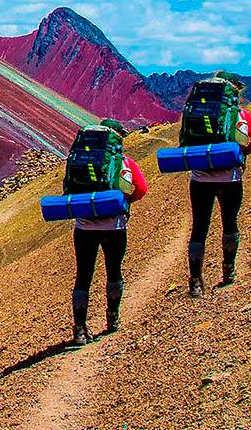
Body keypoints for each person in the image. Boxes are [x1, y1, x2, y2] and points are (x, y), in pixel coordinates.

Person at [187, 71, 251, 297]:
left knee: (199, 228)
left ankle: (195, 281)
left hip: (200, 179)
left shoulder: (196, 111)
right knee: (229, 223)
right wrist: (237, 155)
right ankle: (228, 272)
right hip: (230, 178)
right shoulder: (239, 114)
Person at [71, 118, 148, 346]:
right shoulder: (124, 162)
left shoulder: (79, 159)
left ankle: (79, 328)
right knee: (114, 271)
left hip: (84, 227)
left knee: (83, 276)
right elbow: (141, 189)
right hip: (114, 227)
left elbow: (69, 189)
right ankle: (112, 319)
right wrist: (121, 203)